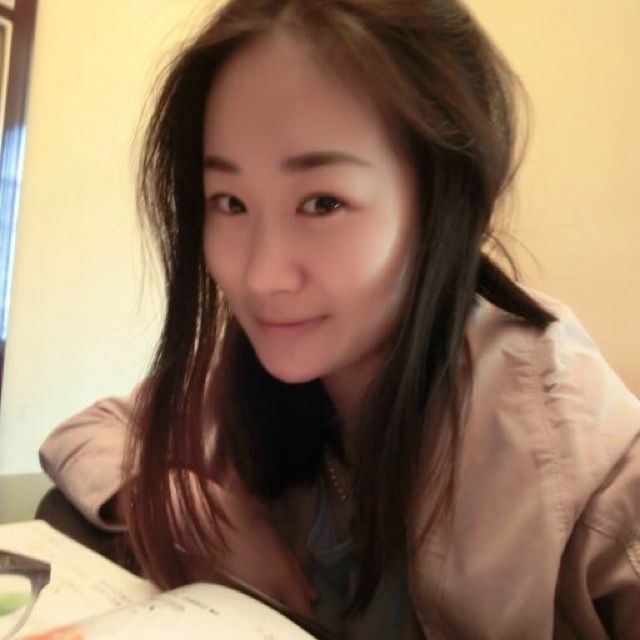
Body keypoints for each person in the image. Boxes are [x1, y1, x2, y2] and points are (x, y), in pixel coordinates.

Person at [39, 0, 640, 638]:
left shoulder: (573, 448)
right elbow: (89, 432)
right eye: (230, 201)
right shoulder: (246, 369)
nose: (262, 275)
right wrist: (185, 506)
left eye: (323, 202)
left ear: (446, 202)